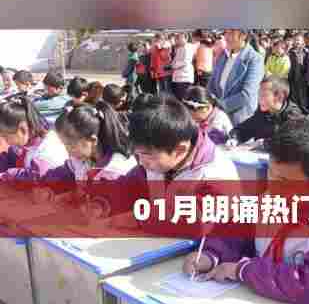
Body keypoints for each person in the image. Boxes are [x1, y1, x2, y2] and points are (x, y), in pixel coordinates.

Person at [182, 115, 309, 304]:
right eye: (270, 173)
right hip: (259, 303)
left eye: (284, 181)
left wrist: (242, 270)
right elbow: (235, 231)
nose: (272, 186)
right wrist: (210, 255)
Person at [85, 95, 239, 218]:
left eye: (146, 155)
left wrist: (135, 220)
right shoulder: (153, 163)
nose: (142, 162)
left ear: (180, 150)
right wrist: (101, 204)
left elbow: (195, 221)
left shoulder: (215, 174)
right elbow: (126, 188)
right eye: (138, 154)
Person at [41, 101, 137, 184]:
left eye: (71, 146)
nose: (68, 151)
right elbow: (61, 173)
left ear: (93, 140)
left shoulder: (115, 171)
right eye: (65, 145)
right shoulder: (82, 158)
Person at [0, 94, 68, 179]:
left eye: (6, 136)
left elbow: (36, 177)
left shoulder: (49, 148)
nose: (5, 140)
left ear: (23, 129)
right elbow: (10, 156)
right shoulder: (25, 141)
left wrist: (7, 175)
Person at [208, 29, 265, 126]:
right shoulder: (223, 55)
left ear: (243, 35)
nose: (226, 37)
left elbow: (246, 95)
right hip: (217, 117)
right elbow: (212, 82)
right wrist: (209, 101)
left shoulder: (255, 60)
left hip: (239, 121)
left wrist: (219, 107)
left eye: (231, 33)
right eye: (226, 32)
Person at [228, 76, 303, 145]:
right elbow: (243, 129)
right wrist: (235, 138)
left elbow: (292, 142)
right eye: (259, 94)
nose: (259, 99)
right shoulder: (262, 114)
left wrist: (265, 143)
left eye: (264, 95)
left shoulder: (293, 117)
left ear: (279, 97)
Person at [288, 33, 309, 114]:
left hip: (302, 77)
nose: (297, 42)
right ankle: (295, 112)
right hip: (292, 77)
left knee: (302, 96)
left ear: (302, 41)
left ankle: (304, 112)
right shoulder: (290, 51)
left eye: (298, 40)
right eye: (295, 40)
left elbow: (308, 65)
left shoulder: (306, 52)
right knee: (293, 96)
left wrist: (307, 76)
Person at [171, 32, 196, 101]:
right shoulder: (180, 48)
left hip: (184, 77)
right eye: (178, 38)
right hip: (178, 77)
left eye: (180, 38)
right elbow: (175, 60)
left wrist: (173, 66)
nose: (178, 39)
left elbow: (185, 61)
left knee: (183, 99)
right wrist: (172, 64)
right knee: (179, 98)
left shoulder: (188, 47)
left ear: (186, 38)